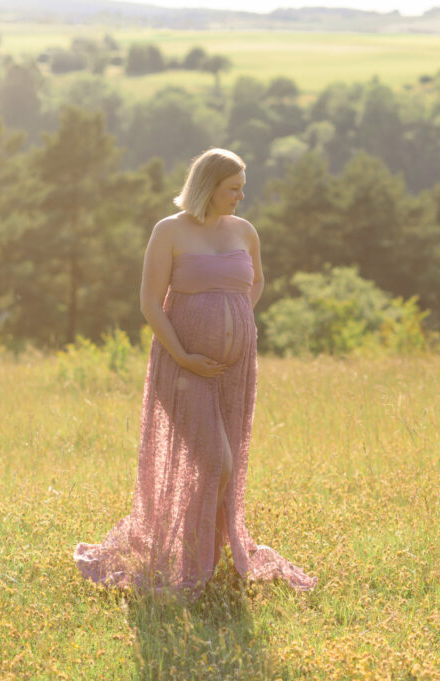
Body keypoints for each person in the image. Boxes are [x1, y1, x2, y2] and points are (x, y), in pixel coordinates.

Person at [74, 148, 317, 595]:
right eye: (234, 188)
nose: (242, 196)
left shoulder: (245, 231)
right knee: (214, 460)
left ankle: (205, 552)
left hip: (235, 369)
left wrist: (238, 314)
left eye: (242, 187)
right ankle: (186, 555)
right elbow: (149, 302)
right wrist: (184, 354)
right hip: (182, 366)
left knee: (223, 462)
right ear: (209, 186)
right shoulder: (169, 231)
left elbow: (257, 280)